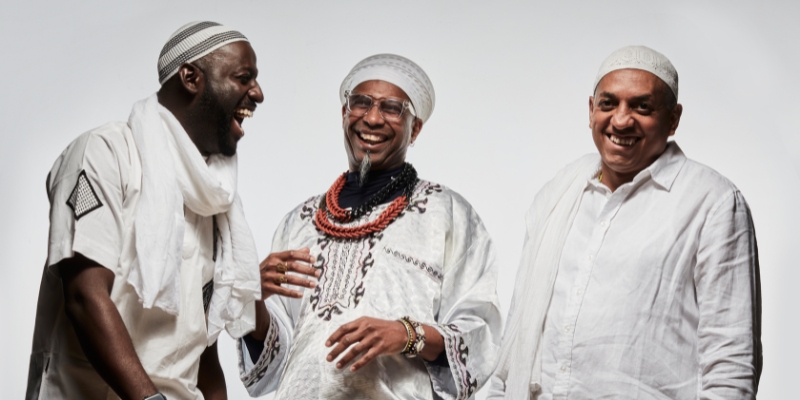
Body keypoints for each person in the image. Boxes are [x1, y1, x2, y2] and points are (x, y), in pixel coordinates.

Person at [490, 46, 762, 399]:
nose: (621, 120)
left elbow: (731, 362)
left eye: (642, 106)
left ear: (673, 118)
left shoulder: (712, 202)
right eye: (608, 104)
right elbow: (517, 340)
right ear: (591, 111)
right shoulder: (557, 196)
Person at [237, 54, 502, 399]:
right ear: (344, 114)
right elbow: (273, 353)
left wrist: (407, 334)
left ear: (415, 128)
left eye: (392, 108)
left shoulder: (448, 214)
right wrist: (254, 295)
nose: (373, 118)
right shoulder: (299, 221)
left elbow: (480, 331)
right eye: (361, 103)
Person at [26, 21, 265, 400]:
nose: (258, 93)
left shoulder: (216, 199)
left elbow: (201, 349)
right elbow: (85, 297)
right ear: (190, 77)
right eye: (243, 77)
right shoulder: (105, 154)